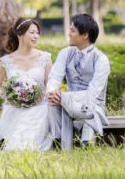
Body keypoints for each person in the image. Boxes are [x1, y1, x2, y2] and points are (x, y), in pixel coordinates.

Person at [46, 14, 111, 150]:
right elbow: (55, 77)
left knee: (91, 109)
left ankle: (86, 144)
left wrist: (65, 99)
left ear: (85, 35)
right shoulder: (65, 53)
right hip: (65, 101)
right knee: (52, 104)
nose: (68, 34)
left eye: (73, 31)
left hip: (93, 104)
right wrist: (52, 93)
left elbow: (92, 93)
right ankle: (57, 142)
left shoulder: (101, 60)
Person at [0, 18, 53, 151]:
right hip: (14, 107)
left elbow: (50, 84)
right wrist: (8, 98)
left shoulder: (45, 58)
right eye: (32, 32)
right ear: (20, 35)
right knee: (17, 119)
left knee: (33, 119)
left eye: (37, 33)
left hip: (39, 106)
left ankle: (25, 148)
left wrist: (38, 97)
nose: (36, 36)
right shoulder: (6, 61)